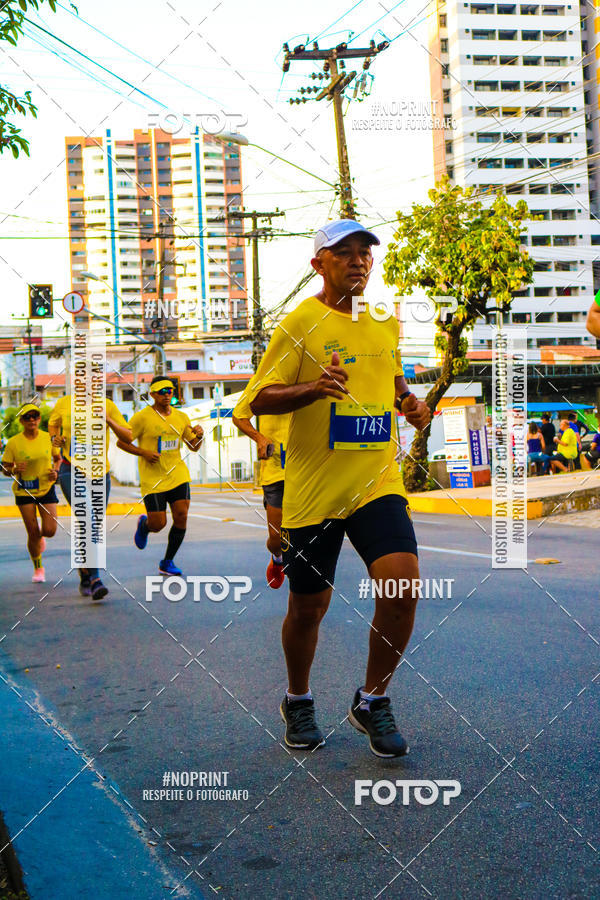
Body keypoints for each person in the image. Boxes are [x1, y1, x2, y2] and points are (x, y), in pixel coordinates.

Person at [248, 218, 431, 758]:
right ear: (318, 264)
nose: (357, 260)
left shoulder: (383, 320)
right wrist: (314, 388)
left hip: (376, 482)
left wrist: (412, 405)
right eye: (343, 252)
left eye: (364, 252)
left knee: (401, 585)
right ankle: (298, 698)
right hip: (313, 490)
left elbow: (394, 385)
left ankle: (372, 700)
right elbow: (260, 399)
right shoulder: (299, 323)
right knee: (309, 607)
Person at [117, 376, 204, 577]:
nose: (167, 394)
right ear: (152, 394)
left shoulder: (181, 417)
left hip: (177, 474)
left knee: (181, 516)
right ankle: (145, 525)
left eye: (170, 391)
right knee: (159, 524)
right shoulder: (142, 417)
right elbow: (122, 442)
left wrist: (199, 436)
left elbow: (193, 447)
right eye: (162, 391)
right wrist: (144, 453)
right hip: (152, 477)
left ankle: (167, 562)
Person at [49, 392, 132, 600]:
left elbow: (128, 436)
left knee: (92, 525)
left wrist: (109, 420)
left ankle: (84, 568)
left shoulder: (108, 405)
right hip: (71, 469)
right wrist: (55, 438)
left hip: (99, 474)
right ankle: (95, 579)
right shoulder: (64, 403)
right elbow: (52, 425)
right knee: (88, 521)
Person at [232, 389, 289, 589]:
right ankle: (277, 557)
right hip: (276, 470)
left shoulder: (314, 374)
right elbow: (239, 415)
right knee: (277, 539)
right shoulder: (265, 379)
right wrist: (259, 438)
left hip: (309, 468)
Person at [1, 404, 61, 582]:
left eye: (34, 416)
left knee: (50, 530)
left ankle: (41, 539)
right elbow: (4, 468)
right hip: (24, 490)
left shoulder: (48, 438)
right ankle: (38, 568)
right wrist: (13, 468)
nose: (31, 420)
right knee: (32, 532)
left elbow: (58, 459)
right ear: (21, 421)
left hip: (46, 488)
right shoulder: (13, 442)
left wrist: (56, 472)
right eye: (27, 417)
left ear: (39, 419)